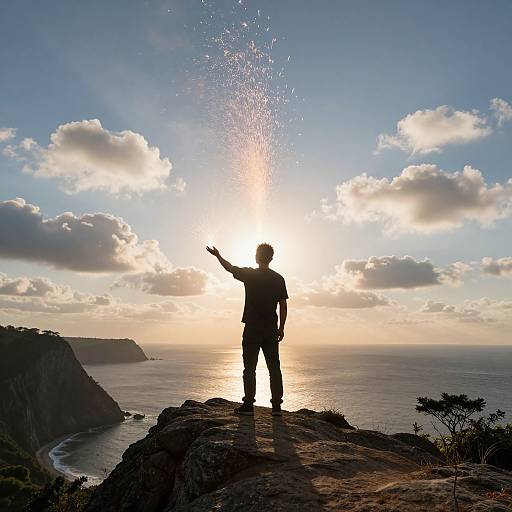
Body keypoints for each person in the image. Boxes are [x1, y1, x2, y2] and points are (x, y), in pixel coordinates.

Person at [206, 243, 288, 417]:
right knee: (274, 367)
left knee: (249, 368)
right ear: (271, 258)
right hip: (271, 328)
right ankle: (276, 408)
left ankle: (249, 406)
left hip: (252, 327)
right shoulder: (278, 278)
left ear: (257, 257)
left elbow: (230, 268)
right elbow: (283, 303)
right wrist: (281, 327)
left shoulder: (250, 274)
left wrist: (218, 255)